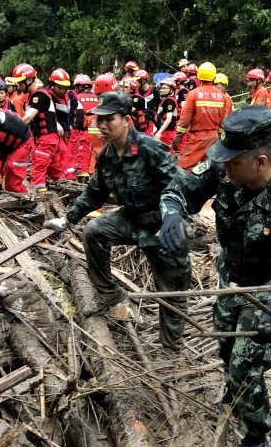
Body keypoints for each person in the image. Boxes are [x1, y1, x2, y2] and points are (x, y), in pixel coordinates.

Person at [160, 105, 271, 447]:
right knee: (227, 347)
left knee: (246, 364)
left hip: (267, 292)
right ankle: (235, 393)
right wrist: (172, 211)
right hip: (229, 278)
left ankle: (256, 438)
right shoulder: (225, 170)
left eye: (233, 162)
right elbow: (180, 188)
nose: (224, 167)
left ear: (260, 161)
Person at [43, 92, 191, 349]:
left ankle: (171, 347)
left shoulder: (149, 148)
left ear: (125, 119)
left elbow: (183, 185)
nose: (102, 125)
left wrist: (176, 217)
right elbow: (94, 192)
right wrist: (67, 219)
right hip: (132, 218)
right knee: (95, 230)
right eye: (99, 120)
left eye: (109, 119)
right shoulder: (106, 155)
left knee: (172, 292)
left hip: (162, 224)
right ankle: (109, 293)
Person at [16, 64, 71, 192]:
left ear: (29, 80)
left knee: (38, 173)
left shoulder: (39, 96)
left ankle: (40, 201)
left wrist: (13, 128)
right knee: (55, 172)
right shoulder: (36, 95)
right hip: (49, 140)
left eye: (20, 83)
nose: (19, 86)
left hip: (46, 141)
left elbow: (28, 118)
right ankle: (69, 192)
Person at [173, 61, 232, 171]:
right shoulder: (222, 96)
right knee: (209, 169)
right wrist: (218, 137)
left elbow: (184, 121)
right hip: (213, 137)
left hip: (197, 138)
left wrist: (177, 138)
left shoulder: (194, 94)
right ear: (213, 77)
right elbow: (223, 122)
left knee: (183, 168)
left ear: (199, 76)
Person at [70, 74, 97, 182]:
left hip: (82, 130)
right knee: (93, 154)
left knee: (80, 154)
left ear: (79, 86)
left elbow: (73, 115)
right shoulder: (97, 97)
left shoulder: (76, 98)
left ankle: (81, 176)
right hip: (97, 131)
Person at [153, 78, 179, 150]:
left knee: (167, 153)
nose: (161, 90)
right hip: (164, 131)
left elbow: (169, 118)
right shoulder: (166, 100)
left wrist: (159, 132)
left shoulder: (169, 101)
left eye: (164, 88)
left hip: (167, 133)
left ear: (171, 89)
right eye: (161, 88)